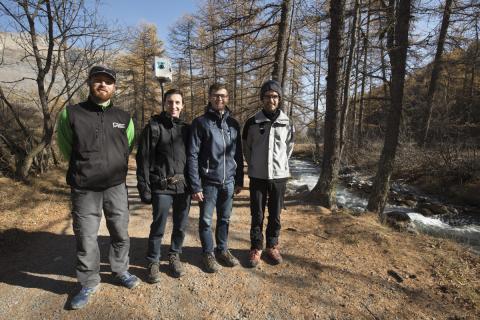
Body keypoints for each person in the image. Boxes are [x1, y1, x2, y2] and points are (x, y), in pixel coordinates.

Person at [57, 65, 139, 310]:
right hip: (84, 188)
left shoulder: (124, 118)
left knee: (120, 232)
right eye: (98, 80)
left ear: (114, 87)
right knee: (86, 237)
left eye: (108, 81)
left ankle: (120, 270)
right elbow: (65, 148)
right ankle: (89, 282)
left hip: (116, 187)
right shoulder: (71, 114)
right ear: (90, 83)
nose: (103, 85)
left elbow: (129, 146)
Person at [187, 83, 244, 273]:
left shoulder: (233, 124)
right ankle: (207, 253)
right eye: (216, 95)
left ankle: (222, 250)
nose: (219, 99)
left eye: (223, 96)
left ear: (227, 98)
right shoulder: (201, 123)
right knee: (205, 221)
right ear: (210, 97)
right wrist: (196, 186)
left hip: (228, 183)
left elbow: (238, 155)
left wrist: (239, 180)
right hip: (208, 183)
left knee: (225, 219)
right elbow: (192, 155)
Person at [136, 89, 191, 283]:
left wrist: (196, 184)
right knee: (158, 225)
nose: (173, 106)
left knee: (181, 226)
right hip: (161, 186)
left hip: (184, 188)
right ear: (164, 104)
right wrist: (144, 187)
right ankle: (153, 261)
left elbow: (193, 159)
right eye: (170, 102)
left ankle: (175, 255)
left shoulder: (187, 128)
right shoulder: (153, 127)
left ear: (182, 105)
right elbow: (142, 159)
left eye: (177, 103)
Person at [242, 79, 294, 268]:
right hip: (258, 176)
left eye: (274, 96)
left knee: (275, 214)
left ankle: (272, 245)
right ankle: (256, 247)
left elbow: (289, 147)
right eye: (267, 96)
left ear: (279, 99)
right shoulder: (252, 122)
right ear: (262, 99)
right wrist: (255, 164)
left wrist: (279, 164)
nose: (271, 100)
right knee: (257, 214)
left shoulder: (287, 122)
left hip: (279, 176)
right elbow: (246, 148)